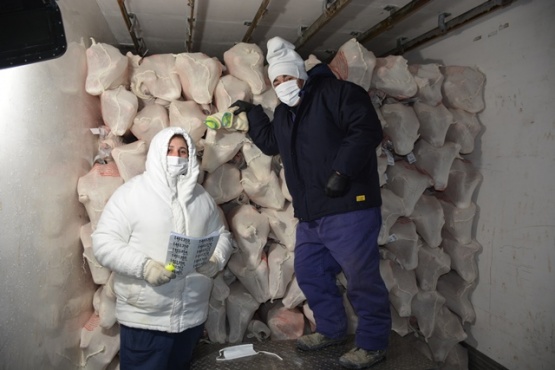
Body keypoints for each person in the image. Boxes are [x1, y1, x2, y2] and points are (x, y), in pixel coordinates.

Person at [231, 37, 391, 369]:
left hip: (350, 206)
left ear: (300, 75)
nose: (282, 85)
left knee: (361, 278)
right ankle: (332, 330)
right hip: (311, 215)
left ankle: (373, 344)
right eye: (276, 81)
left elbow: (366, 129)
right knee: (310, 272)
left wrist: (341, 171)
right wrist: (252, 113)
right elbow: (271, 143)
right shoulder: (284, 115)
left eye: (286, 78)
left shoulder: (339, 95)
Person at [92, 127, 233, 370]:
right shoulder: (131, 194)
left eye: (182, 151)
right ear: (157, 153)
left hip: (190, 321)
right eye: (169, 150)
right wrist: (144, 267)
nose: (176, 156)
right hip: (145, 320)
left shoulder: (201, 199)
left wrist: (215, 259)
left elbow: (223, 236)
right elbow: (103, 242)